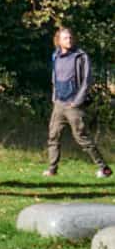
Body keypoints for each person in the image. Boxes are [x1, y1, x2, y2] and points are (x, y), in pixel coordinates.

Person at [44, 27, 111, 178]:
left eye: (70, 37)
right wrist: (55, 97)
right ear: (59, 41)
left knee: (82, 138)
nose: (69, 40)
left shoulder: (81, 56)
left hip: (74, 105)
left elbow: (87, 80)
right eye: (65, 38)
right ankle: (52, 169)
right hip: (59, 104)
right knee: (53, 136)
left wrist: (77, 101)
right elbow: (54, 78)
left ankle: (104, 168)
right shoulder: (55, 55)